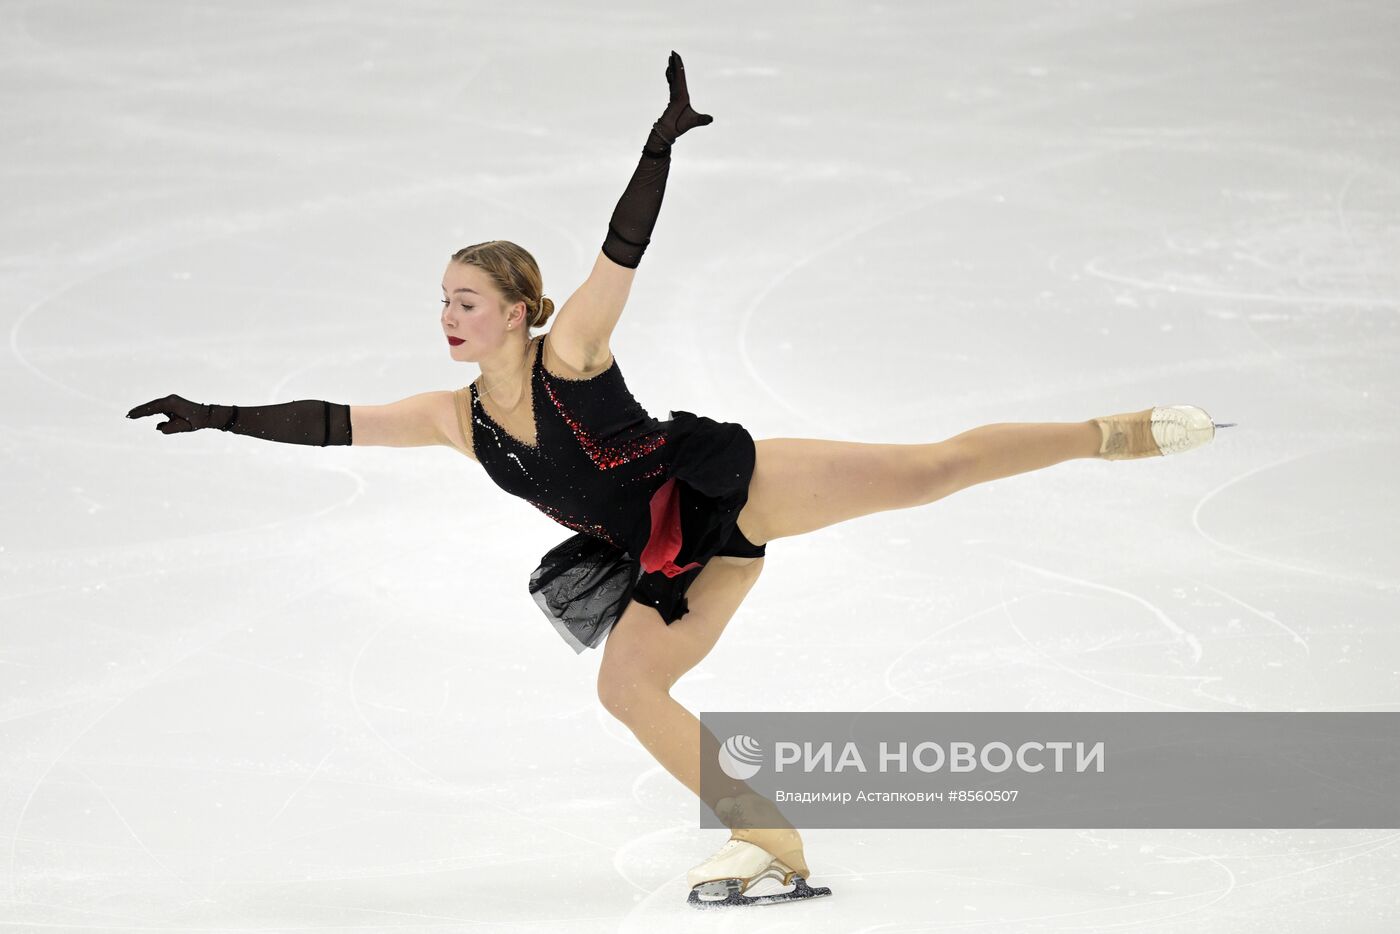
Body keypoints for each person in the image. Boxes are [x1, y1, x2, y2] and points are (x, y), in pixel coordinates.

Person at [127, 50, 1232, 910]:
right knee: (624, 688)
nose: (447, 316)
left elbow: (620, 250)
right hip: (662, 558)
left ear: (517, 309)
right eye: (443, 299)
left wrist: (659, 145)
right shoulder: (454, 420)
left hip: (727, 491)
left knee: (928, 471)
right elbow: (330, 424)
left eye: (466, 299)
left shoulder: (572, 355)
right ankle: (772, 836)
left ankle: (1114, 433)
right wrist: (216, 414)